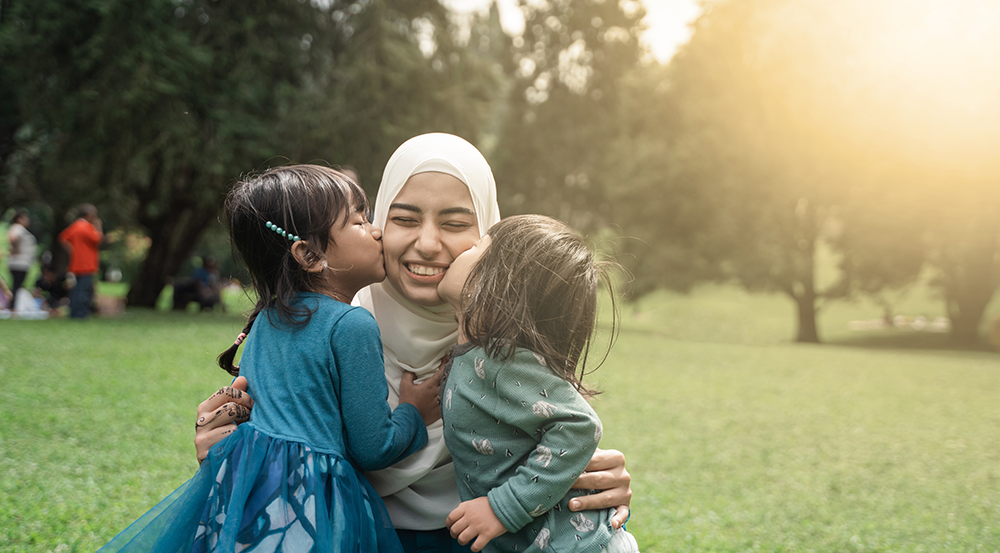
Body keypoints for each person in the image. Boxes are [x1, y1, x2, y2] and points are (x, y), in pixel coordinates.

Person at [194, 134, 633, 553]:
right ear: (379, 222)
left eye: (456, 223)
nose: (426, 244)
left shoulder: (515, 343)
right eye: (403, 219)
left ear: (489, 237)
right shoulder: (329, 324)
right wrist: (226, 441)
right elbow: (271, 437)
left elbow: (568, 436)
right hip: (350, 534)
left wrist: (596, 476)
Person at [101, 165, 441, 552]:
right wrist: (414, 411)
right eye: (360, 221)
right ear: (309, 255)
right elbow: (372, 448)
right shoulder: (352, 324)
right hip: (311, 499)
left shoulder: (266, 317)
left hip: (249, 486)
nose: (377, 231)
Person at [438, 215, 638, 553]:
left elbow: (580, 424)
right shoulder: (480, 358)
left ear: (491, 284)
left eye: (475, 248)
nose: (460, 252)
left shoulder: (501, 359)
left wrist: (502, 508)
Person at [58, 204, 103, 319]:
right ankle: (81, 314)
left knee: (76, 289)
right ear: (88, 215)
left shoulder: (75, 225)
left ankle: (74, 312)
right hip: (86, 264)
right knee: (84, 290)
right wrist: (98, 227)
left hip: (76, 263)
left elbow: (63, 237)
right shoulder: (87, 226)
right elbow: (98, 239)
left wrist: (72, 249)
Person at [7, 209, 37, 293]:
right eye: (25, 218)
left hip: (21, 262)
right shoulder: (18, 227)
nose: (28, 220)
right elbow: (13, 237)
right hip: (19, 262)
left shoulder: (18, 228)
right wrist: (16, 249)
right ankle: (13, 305)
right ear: (19, 219)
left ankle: (13, 304)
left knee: (17, 285)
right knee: (17, 285)